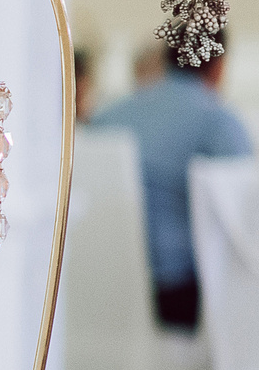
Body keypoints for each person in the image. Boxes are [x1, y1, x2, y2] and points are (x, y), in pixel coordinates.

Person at [90, 29, 250, 329]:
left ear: (166, 59)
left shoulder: (107, 118)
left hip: (101, 282)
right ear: (219, 67)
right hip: (179, 294)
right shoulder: (220, 123)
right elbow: (246, 213)